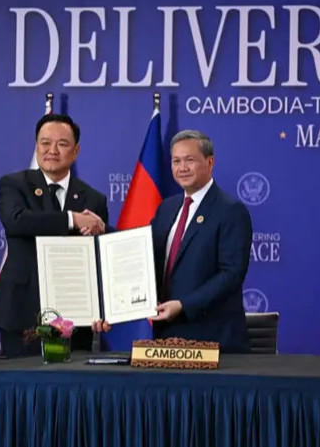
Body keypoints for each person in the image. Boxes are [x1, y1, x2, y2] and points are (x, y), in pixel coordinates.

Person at [94, 130, 252, 353]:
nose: (182, 168)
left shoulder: (230, 211)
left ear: (210, 162)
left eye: (190, 160)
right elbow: (141, 252)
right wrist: (102, 229)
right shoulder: (167, 208)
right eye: (176, 161)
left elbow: (231, 274)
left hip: (212, 340)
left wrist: (183, 305)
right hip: (167, 337)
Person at [0, 114, 108, 357]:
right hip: (20, 310)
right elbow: (16, 221)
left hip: (76, 314)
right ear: (36, 146)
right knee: (21, 379)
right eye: (45, 143)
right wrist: (72, 219)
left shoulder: (94, 199)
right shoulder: (13, 184)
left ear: (76, 151)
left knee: (72, 378)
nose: (52, 150)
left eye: (62, 144)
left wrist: (102, 309)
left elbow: (98, 260)